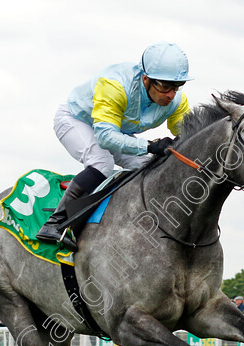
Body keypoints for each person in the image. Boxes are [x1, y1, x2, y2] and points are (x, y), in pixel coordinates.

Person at [37, 42, 194, 250]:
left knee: (150, 166)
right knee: (102, 162)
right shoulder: (115, 85)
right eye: (164, 86)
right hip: (77, 120)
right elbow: (105, 138)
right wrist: (150, 145)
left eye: (176, 86)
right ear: (146, 79)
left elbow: (188, 135)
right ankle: (55, 224)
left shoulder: (176, 101)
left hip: (117, 130)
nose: (170, 95)